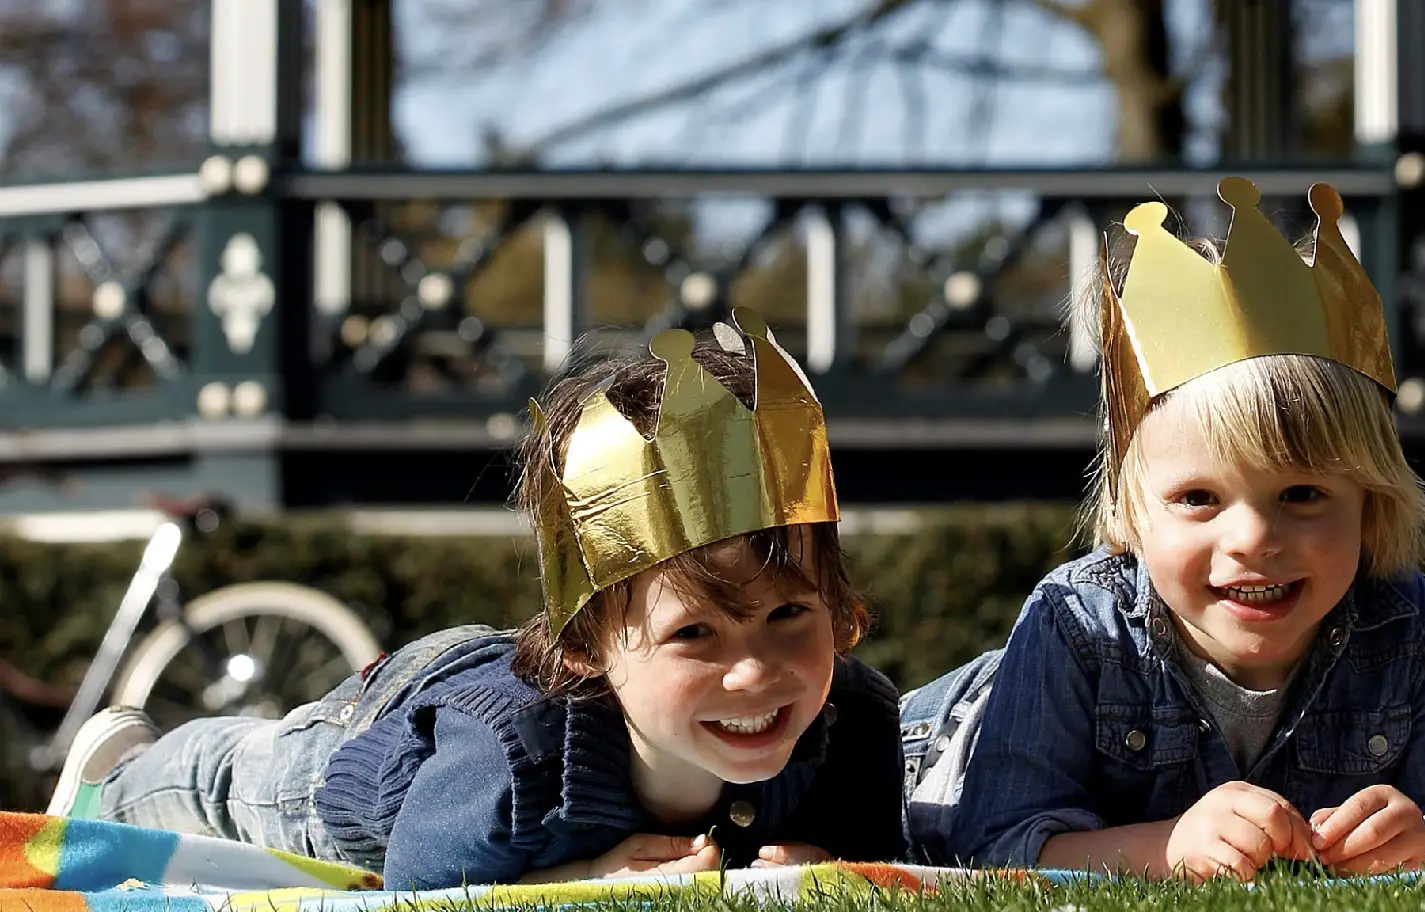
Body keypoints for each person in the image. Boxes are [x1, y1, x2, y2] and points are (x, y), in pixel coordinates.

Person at [45, 309, 906, 890]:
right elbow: (416, 896)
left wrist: (826, 863)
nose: (755, 672)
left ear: (835, 602)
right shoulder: (508, 769)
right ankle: (117, 771)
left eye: (789, 615)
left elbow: (884, 863)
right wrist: (567, 886)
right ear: (587, 646)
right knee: (235, 781)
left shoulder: (853, 721)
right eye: (695, 634)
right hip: (385, 740)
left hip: (513, 683)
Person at [900, 180, 1425, 881]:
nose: (1254, 539)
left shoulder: (1414, 631)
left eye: (1303, 493)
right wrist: (1168, 847)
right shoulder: (1074, 628)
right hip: (919, 761)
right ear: (1132, 511)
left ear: (1371, 503)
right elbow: (994, 847)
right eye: (1199, 497)